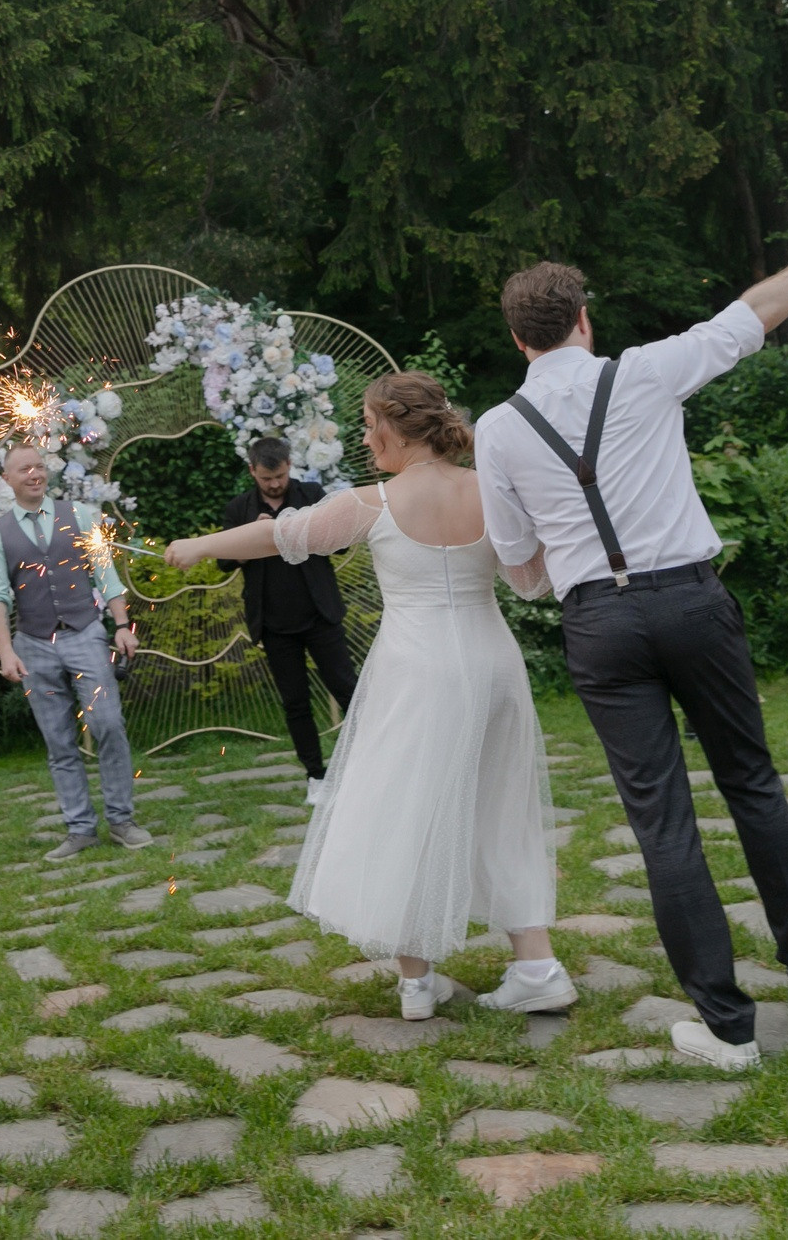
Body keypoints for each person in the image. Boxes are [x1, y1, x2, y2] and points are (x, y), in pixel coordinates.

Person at [473, 209, 788, 1074]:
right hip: (692, 600)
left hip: (598, 622)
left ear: (518, 338)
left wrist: (560, 570)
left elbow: (518, 564)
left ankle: (727, 1029)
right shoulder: (647, 372)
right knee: (751, 782)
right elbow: (753, 314)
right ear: (585, 319)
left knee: (663, 821)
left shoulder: (498, 429)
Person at [169, 375, 576, 1022]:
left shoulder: (373, 502)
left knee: (402, 810)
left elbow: (277, 538)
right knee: (505, 804)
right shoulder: (489, 489)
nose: (363, 438)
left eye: (367, 424)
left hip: (416, 671)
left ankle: (417, 982)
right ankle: (537, 966)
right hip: (493, 662)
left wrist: (199, 545)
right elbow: (530, 580)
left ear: (395, 429)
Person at [0, 445, 150, 862]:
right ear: (7, 479)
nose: (34, 474)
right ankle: (80, 829)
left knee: (108, 724)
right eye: (24, 469)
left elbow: (106, 573)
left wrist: (122, 625)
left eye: (39, 466)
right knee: (58, 742)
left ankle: (122, 820)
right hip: (33, 644)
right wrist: (6, 653)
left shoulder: (79, 515)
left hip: (85, 633)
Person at [217, 436, 356, 801]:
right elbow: (224, 561)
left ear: (290, 466)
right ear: (252, 471)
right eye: (267, 478)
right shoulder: (240, 508)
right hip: (273, 623)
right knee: (295, 702)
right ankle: (316, 776)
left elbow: (342, 542)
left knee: (349, 690)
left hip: (320, 614)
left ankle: (369, 762)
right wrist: (255, 536)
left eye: (279, 476)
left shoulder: (312, 495)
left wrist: (299, 527)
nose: (275, 484)